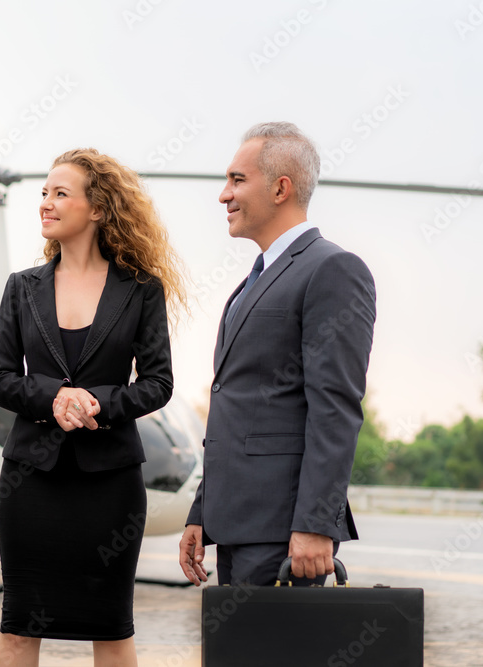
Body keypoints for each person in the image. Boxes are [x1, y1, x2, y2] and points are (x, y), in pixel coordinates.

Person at [0, 148, 187, 666]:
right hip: (30, 481)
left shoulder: (141, 290)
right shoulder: (20, 287)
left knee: (112, 629)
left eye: (60, 194)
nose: (46, 205)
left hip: (110, 487)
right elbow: (0, 379)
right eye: (44, 194)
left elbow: (158, 384)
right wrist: (53, 397)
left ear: (97, 209)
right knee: (17, 628)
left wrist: (98, 400)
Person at [179, 122, 376, 589]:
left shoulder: (332, 269)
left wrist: (315, 524)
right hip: (236, 524)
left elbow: (335, 410)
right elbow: (238, 410)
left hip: (284, 532)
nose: (224, 195)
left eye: (237, 180)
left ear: (281, 188)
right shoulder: (251, 282)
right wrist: (202, 513)